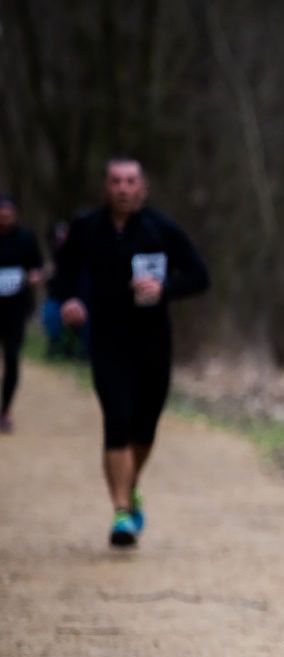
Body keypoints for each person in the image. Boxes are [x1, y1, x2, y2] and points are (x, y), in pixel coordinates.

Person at [49, 159, 209, 547]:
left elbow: (200, 276)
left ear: (144, 187)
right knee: (116, 420)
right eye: (116, 181)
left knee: (145, 426)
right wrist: (69, 300)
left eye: (131, 181)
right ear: (105, 187)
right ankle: (122, 513)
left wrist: (164, 290)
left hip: (153, 342)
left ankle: (130, 483)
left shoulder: (162, 230)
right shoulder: (86, 228)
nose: (123, 188)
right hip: (106, 340)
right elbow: (63, 273)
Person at [0, 195, 45, 432]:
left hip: (15, 309)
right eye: (1, 214)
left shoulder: (26, 239)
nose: (5, 218)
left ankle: (5, 409)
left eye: (9, 214)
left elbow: (37, 267)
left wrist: (35, 277)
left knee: (11, 357)